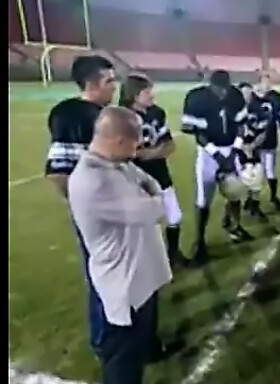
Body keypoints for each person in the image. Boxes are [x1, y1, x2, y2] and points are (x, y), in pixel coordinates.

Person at [68, 106, 173, 384]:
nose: (136, 150)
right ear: (117, 141)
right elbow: (154, 208)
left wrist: (153, 197)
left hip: (140, 281)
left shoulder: (118, 164)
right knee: (122, 367)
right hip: (123, 288)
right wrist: (155, 200)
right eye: (134, 143)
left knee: (136, 356)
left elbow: (151, 183)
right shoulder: (93, 180)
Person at [44, 54, 118, 357]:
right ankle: (105, 341)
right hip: (98, 214)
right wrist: (85, 207)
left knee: (122, 276)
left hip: (120, 210)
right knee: (102, 277)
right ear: (93, 82)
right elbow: (58, 171)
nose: (114, 86)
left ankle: (122, 333)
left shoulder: (108, 113)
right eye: (109, 80)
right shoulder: (72, 115)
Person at [118, 73, 191, 268]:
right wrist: (155, 152)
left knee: (174, 216)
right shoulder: (122, 117)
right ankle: (146, 263)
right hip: (134, 179)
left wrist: (149, 153)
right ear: (134, 94)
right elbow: (128, 152)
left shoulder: (157, 112)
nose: (152, 95)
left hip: (159, 173)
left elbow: (170, 145)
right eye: (147, 92)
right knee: (143, 223)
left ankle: (173, 255)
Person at [180, 70, 251, 264]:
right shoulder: (197, 98)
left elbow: (241, 126)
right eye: (218, 90)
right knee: (203, 200)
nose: (222, 94)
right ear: (211, 86)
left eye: (225, 89)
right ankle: (200, 240)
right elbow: (198, 133)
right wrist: (218, 155)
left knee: (236, 192)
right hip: (209, 152)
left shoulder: (235, 95)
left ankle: (234, 226)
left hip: (231, 148)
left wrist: (235, 149)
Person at [237, 81, 270, 221]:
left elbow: (263, 133)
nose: (246, 96)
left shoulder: (258, 110)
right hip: (236, 151)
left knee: (257, 179)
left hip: (253, 149)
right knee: (235, 185)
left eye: (249, 93)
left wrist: (252, 146)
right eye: (243, 93)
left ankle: (254, 206)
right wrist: (242, 148)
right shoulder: (232, 110)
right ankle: (230, 216)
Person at [254, 72, 280, 211]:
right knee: (254, 173)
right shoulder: (253, 97)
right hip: (253, 142)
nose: (266, 84)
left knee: (270, 171)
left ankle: (273, 197)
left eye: (269, 81)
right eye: (264, 81)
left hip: (270, 140)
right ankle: (253, 201)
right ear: (260, 82)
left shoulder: (277, 98)